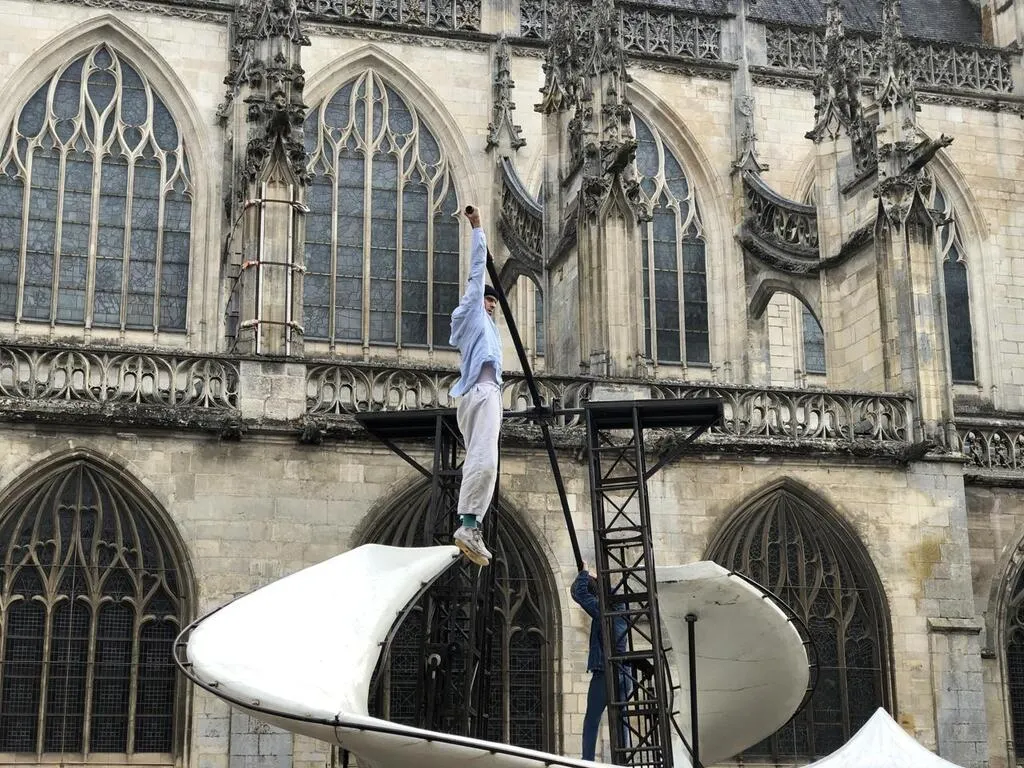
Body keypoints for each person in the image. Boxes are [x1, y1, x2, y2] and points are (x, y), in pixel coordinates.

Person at [448, 205, 502, 567]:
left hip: (478, 394)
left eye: (494, 300)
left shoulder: (487, 327)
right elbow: (476, 272)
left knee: (482, 460)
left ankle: (471, 522)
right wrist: (478, 227)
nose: (492, 305)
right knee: (485, 459)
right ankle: (468, 525)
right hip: (482, 394)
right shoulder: (471, 312)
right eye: (489, 299)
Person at [571, 568, 629, 761]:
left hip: (605, 672)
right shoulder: (621, 608)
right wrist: (598, 579)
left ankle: (587, 761)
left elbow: (580, 594)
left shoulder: (602, 610)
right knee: (621, 719)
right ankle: (623, 761)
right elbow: (609, 593)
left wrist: (584, 573)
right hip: (625, 672)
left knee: (592, 720)